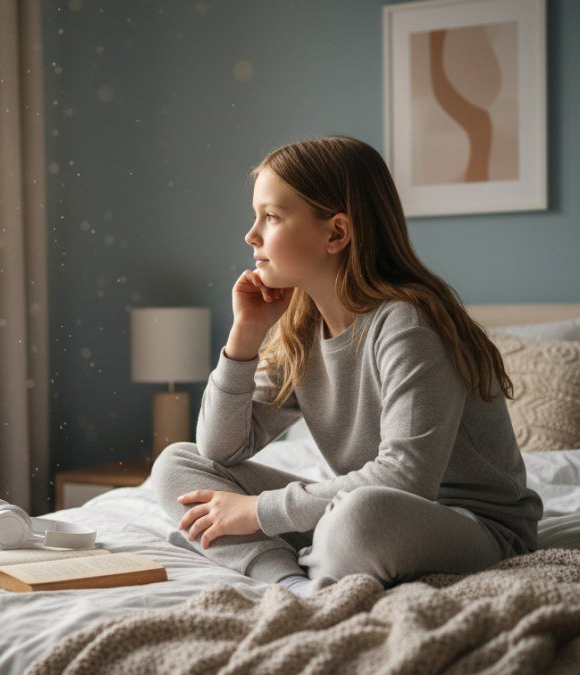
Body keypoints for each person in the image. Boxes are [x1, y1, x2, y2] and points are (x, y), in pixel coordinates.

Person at [148, 135, 544, 598]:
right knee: (178, 464)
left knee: (358, 518)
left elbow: (406, 478)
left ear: (336, 233)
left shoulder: (409, 323)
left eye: (271, 216)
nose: (251, 235)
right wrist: (245, 336)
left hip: (472, 525)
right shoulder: (302, 328)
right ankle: (291, 581)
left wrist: (256, 512)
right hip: (360, 508)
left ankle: (299, 553)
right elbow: (219, 450)